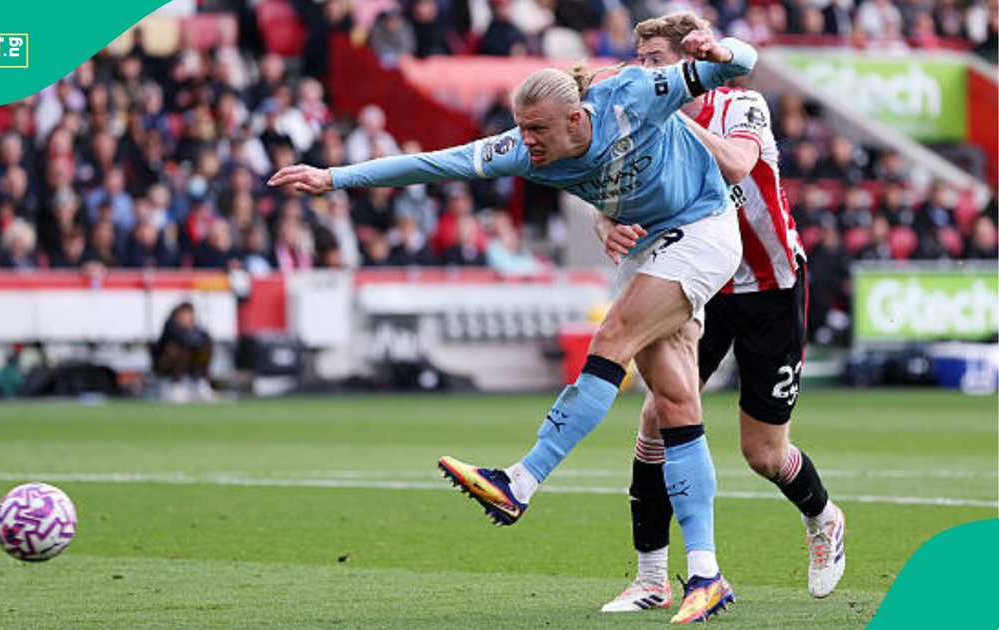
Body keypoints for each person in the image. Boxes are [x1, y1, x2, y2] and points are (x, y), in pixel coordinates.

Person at [271, 26, 756, 624]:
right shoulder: (523, 151)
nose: (527, 142)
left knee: (611, 339)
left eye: (538, 130)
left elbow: (743, 61)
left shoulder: (633, 95)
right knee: (676, 404)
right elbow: (432, 164)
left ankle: (521, 481)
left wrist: (720, 51)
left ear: (576, 119)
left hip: (703, 228)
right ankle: (706, 574)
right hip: (648, 245)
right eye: (521, 128)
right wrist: (334, 177)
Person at [594, 13, 845, 615]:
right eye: (640, 61)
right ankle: (652, 578)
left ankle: (823, 517)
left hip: (771, 286)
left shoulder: (739, 105)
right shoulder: (642, 125)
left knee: (763, 453)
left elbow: (736, 164)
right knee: (656, 420)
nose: (644, 72)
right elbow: (606, 190)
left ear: (688, 63)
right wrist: (606, 225)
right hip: (699, 287)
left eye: (656, 60)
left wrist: (673, 115)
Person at [152, 302, 214, 403]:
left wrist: (193, 333)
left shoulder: (195, 328)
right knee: (179, 350)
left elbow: (205, 339)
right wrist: (192, 336)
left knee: (204, 349)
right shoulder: (170, 325)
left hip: (190, 367)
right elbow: (184, 340)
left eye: (189, 314)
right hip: (165, 366)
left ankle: (198, 382)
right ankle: (176, 385)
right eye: (184, 313)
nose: (187, 317)